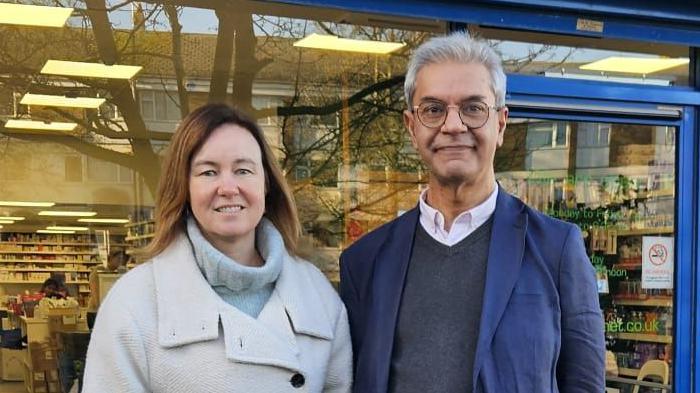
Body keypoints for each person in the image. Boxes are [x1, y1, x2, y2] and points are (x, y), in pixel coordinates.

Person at [339, 32, 604, 393]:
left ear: (501, 123)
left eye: (473, 108)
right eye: (433, 109)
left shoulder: (556, 250)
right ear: (411, 128)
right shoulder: (365, 262)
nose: (453, 125)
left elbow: (585, 384)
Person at [83, 104, 352, 392]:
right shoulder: (134, 303)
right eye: (208, 172)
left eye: (244, 170)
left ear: (266, 184)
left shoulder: (317, 296)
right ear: (184, 187)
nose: (228, 187)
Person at [86, 248, 129, 318]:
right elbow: (96, 295)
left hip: (111, 312)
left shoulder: (121, 271)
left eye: (122, 259)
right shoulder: (98, 271)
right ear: (111, 258)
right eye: (118, 258)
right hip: (95, 313)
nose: (120, 261)